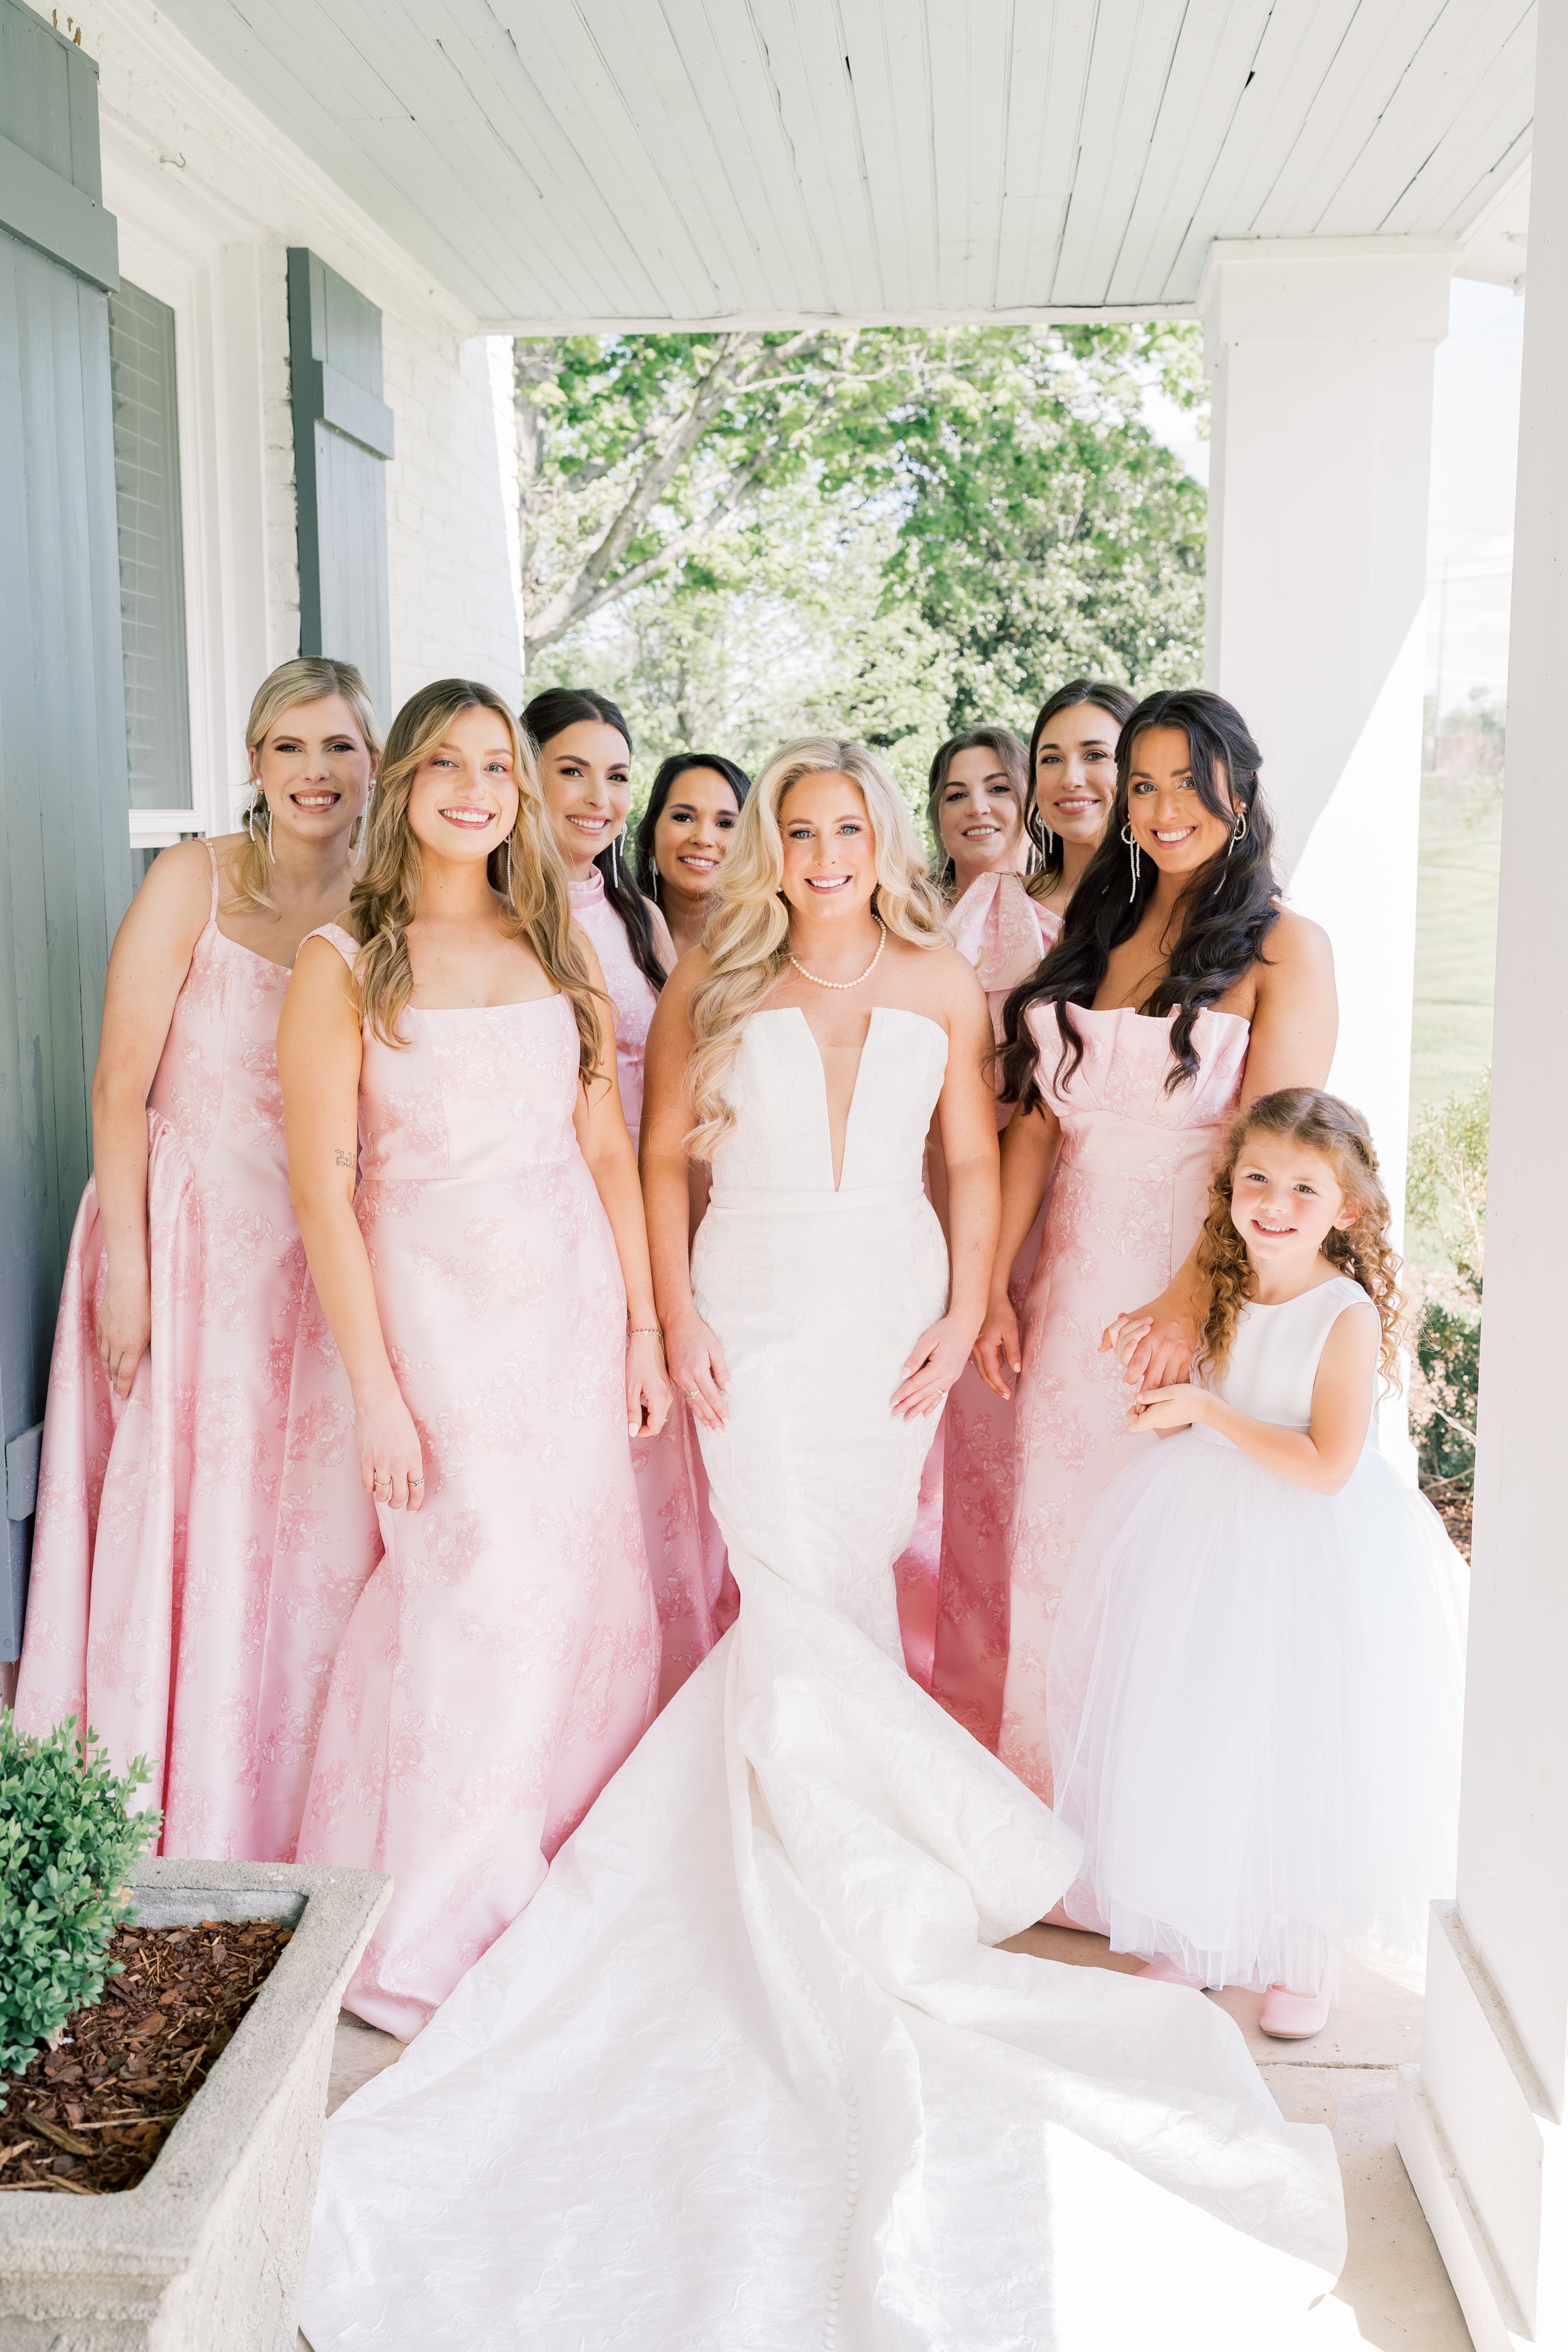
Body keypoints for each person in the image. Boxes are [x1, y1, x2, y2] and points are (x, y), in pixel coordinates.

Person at [299, 738, 1345, 2352]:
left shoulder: (942, 977)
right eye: (804, 827)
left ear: (878, 838)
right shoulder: (718, 972)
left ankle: (847, 1860)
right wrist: (676, 1322)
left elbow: (981, 1164)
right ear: (777, 849)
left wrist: (964, 1307)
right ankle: (805, 1878)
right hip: (755, 1313)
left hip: (885, 1322)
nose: (829, 846)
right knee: (783, 1590)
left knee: (841, 1593)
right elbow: (653, 1158)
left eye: (850, 822)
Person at [278, 679, 664, 2037]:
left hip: (562, 1310)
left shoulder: (552, 936)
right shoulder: (346, 957)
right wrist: (376, 1391)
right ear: (401, 783)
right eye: (444, 762)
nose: (473, 787)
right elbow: (325, 1189)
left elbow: (604, 1147)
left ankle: (552, 1878)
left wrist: (639, 1326)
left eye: (495, 766)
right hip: (435, 1321)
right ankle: (432, 1914)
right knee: (473, 1592)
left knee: (575, 1595)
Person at [14, 658, 378, 1856]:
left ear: (374, 760)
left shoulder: (389, 901)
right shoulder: (195, 877)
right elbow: (120, 1084)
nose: (316, 772)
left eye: (339, 747)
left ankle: (276, 1808)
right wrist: (131, 1264)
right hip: (185, 1239)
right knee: (184, 1514)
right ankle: (152, 1805)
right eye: (291, 747)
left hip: (318, 1254)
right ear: (256, 760)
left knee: (305, 1530)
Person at [974, 689, 1338, 1803]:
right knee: (1060, 1553)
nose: (1165, 807)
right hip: (1071, 1288)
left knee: (1172, 1568)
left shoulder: (1287, 948)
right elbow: (1037, 1124)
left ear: (1241, 786)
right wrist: (993, 1283)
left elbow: (1266, 1148)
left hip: (1197, 1285)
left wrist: (1190, 1302)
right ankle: (1052, 1827)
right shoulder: (1100, 927)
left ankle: (1156, 1834)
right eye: (1145, 785)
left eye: (1190, 781)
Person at [1048, 1089, 1466, 2040]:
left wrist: (1202, 1412)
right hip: (1212, 1533)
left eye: (1305, 1189)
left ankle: (1300, 1949)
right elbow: (1225, 1395)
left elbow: (1324, 1465)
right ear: (1230, 1187)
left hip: (1312, 1545)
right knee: (1204, 1715)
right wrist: (1174, 1398)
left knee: (1297, 1732)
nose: (1274, 1202)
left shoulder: (1344, 1313)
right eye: (1257, 1178)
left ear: (1347, 1210)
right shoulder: (1234, 1284)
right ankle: (1201, 1936)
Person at [927, 700, 1131, 1747]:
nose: (1070, 778)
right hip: (1013, 1214)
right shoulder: (1003, 913)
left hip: (1135, 1226)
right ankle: (981, 1732)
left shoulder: (1179, 907)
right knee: (990, 1486)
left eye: (1094, 755)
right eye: (1049, 758)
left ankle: (1105, 1742)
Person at [524, 688, 724, 1704]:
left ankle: (670, 1677)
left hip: (655, 1203)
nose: (598, 797)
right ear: (525, 772)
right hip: (560, 1220)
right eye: (572, 770)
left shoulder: (637, 917)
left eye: (615, 775)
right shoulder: (509, 910)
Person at [633, 749, 753, 961]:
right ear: (651, 836)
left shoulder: (771, 946)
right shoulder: (611, 929)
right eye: (684, 818)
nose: (703, 838)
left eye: (725, 823)